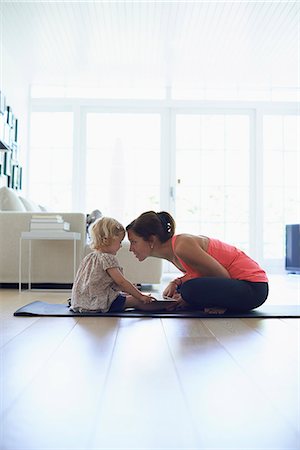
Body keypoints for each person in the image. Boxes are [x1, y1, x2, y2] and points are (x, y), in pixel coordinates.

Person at [126, 211, 269, 313]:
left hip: (253, 288)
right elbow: (202, 273)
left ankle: (217, 304)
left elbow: (222, 275)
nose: (131, 249)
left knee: (189, 290)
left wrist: (189, 297)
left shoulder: (182, 246)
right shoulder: (175, 251)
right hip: (240, 287)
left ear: (151, 240)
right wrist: (176, 282)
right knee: (182, 290)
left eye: (134, 242)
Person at [70, 216, 174, 313]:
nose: (120, 246)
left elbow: (98, 283)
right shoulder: (107, 258)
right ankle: (167, 306)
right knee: (136, 301)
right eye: (119, 242)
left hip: (82, 302)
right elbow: (121, 282)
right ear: (107, 240)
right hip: (98, 304)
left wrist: (128, 289)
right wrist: (141, 296)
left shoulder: (90, 257)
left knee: (126, 295)